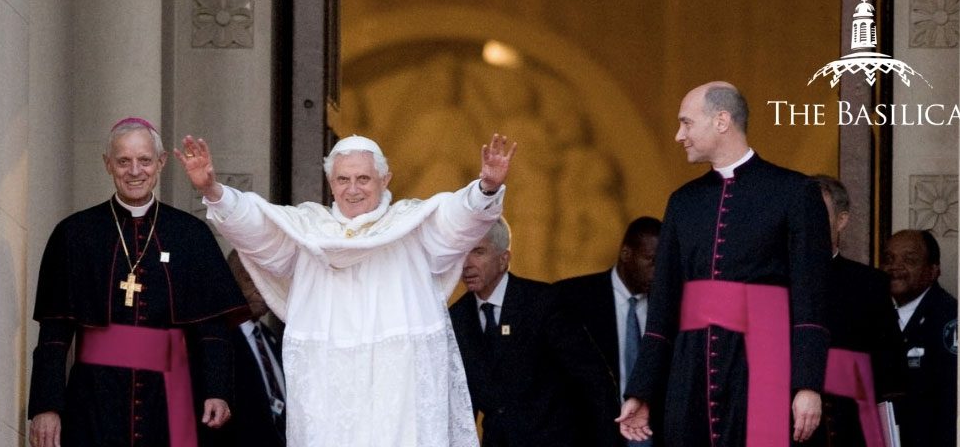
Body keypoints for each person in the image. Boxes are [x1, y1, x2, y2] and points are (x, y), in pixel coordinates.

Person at [175, 132, 516, 447]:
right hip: (328, 385)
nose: (353, 189)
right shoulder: (306, 229)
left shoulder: (413, 225)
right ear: (331, 184)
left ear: (385, 180)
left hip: (398, 384)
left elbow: (457, 220)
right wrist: (213, 191)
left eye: (363, 178)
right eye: (343, 179)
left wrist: (485, 187)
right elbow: (256, 226)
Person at [617, 81, 832, 447]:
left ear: (721, 120)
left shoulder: (795, 193)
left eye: (686, 123)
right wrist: (642, 391)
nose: (678, 135)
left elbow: (811, 300)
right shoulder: (683, 203)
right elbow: (663, 311)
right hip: (692, 368)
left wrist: (808, 385)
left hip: (765, 366)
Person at [27, 117, 248, 447]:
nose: (134, 171)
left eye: (144, 160)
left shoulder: (190, 234)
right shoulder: (75, 234)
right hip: (95, 395)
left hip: (171, 395)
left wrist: (218, 391)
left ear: (159, 163)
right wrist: (46, 406)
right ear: (107, 164)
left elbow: (212, 329)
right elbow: (55, 334)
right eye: (123, 161)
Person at [449, 218, 621, 447]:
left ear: (503, 260)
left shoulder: (541, 303)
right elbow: (462, 402)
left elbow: (594, 379)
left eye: (478, 252)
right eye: (462, 253)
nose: (466, 264)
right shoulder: (457, 317)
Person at [808, 176, 905, 447]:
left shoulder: (869, 284)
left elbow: (889, 368)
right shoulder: (772, 278)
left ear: (841, 220)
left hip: (850, 424)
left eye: (817, 214)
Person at [555, 216, 663, 447]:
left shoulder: (669, 306)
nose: (658, 272)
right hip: (590, 435)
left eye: (664, 264)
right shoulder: (571, 298)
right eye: (651, 261)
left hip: (654, 434)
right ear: (626, 254)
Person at [882, 229, 957, 447]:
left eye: (909, 259)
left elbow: (950, 404)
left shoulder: (949, 318)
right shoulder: (874, 312)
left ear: (934, 270)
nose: (895, 267)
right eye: (888, 259)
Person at [208, 250, 287, 447]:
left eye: (266, 281)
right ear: (231, 282)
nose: (261, 289)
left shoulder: (270, 338)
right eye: (251, 280)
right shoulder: (219, 340)